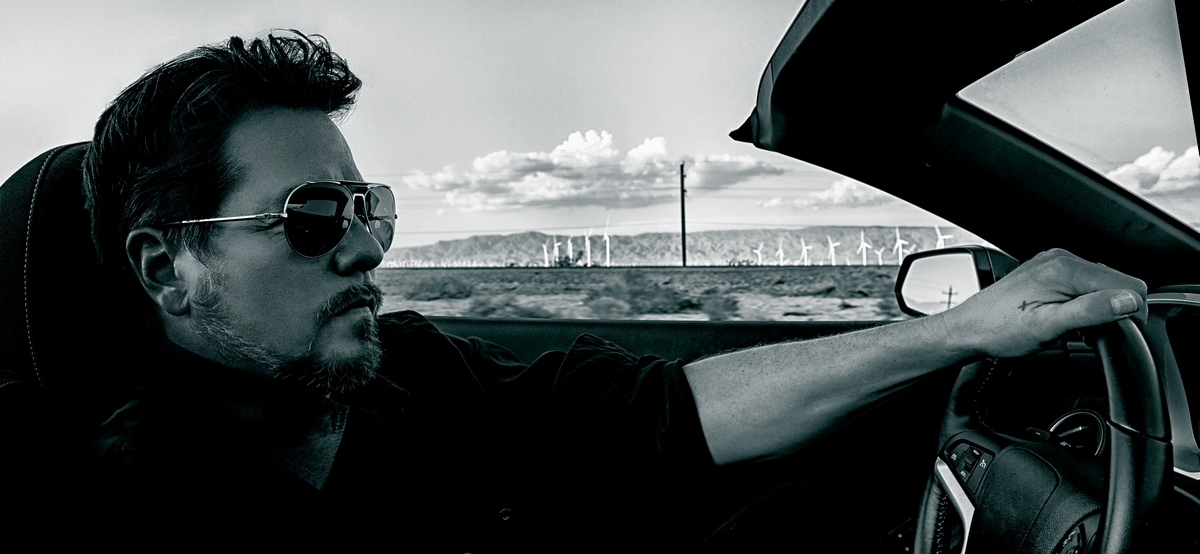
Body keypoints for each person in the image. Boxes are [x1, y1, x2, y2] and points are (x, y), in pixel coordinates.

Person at [79, 31, 1146, 549]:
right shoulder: (115, 498)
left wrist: (950, 334)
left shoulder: (421, 377)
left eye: (372, 208)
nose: (364, 250)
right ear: (168, 268)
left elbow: (664, 411)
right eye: (313, 218)